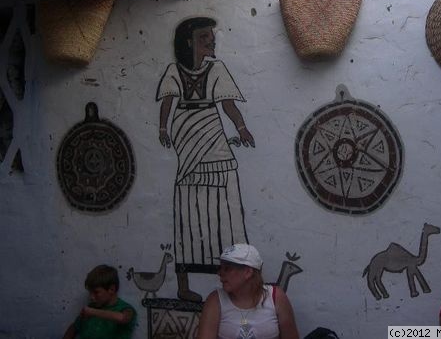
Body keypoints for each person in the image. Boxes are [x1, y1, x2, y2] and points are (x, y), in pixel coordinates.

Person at [157, 17, 255, 302]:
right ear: (189, 42)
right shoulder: (174, 70)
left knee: (226, 197)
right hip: (187, 132)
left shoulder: (217, 69)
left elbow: (227, 104)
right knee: (187, 205)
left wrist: (241, 127)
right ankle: (184, 283)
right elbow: (167, 101)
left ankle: (238, 274)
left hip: (212, 130)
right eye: (204, 37)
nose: (212, 40)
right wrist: (163, 128)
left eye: (211, 36)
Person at [197, 243, 300, 339]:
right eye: (220, 268)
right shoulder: (216, 300)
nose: (220, 273)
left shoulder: (275, 297)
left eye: (227, 269)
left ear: (248, 272)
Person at [63, 264, 136, 339]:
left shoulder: (126, 309)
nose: (91, 297)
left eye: (96, 292)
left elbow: (122, 318)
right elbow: (74, 328)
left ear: (111, 289)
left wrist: (93, 312)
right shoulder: (91, 308)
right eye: (90, 292)